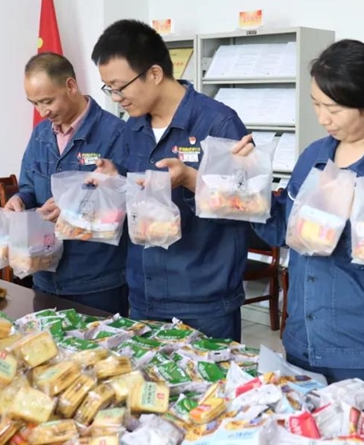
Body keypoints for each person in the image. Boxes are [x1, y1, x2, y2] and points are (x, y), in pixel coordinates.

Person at [234, 39, 364, 392]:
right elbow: (282, 232)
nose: (322, 118)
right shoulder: (314, 156)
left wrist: (363, 222)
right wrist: (250, 185)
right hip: (304, 340)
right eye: (316, 104)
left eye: (334, 109)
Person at [90, 19, 249, 342]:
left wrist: (191, 180)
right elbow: (134, 197)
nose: (116, 97)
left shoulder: (218, 123)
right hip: (144, 293)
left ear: (154, 73)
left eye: (120, 86)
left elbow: (246, 206)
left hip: (203, 300)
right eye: (109, 88)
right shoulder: (133, 128)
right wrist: (114, 179)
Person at [6, 52, 129, 315]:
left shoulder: (116, 133)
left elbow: (125, 204)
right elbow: (28, 187)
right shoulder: (41, 134)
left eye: (47, 101)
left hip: (96, 281)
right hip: (44, 272)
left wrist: (73, 210)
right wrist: (20, 200)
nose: (42, 112)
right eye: (34, 103)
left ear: (71, 86)